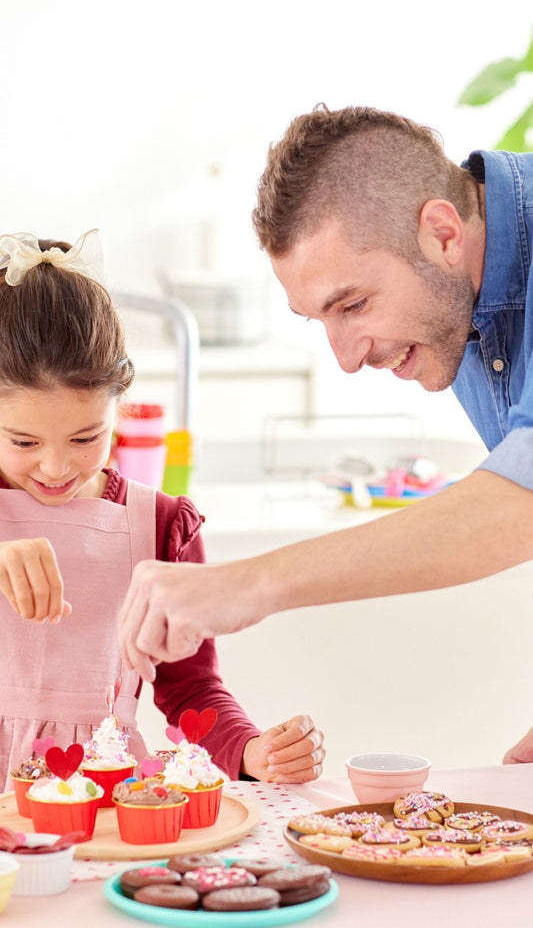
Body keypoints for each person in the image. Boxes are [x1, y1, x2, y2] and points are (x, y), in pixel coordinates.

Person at [117, 105, 533, 763]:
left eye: (353, 305)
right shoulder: (454, 306)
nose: (345, 357)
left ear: (442, 234)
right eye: (319, 320)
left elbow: (521, 504)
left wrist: (245, 585)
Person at [0, 229, 325, 792]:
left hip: (102, 794)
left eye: (85, 438)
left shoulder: (161, 527)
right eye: (24, 442)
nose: (55, 468)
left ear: (120, 408)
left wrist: (249, 749)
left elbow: (191, 690)